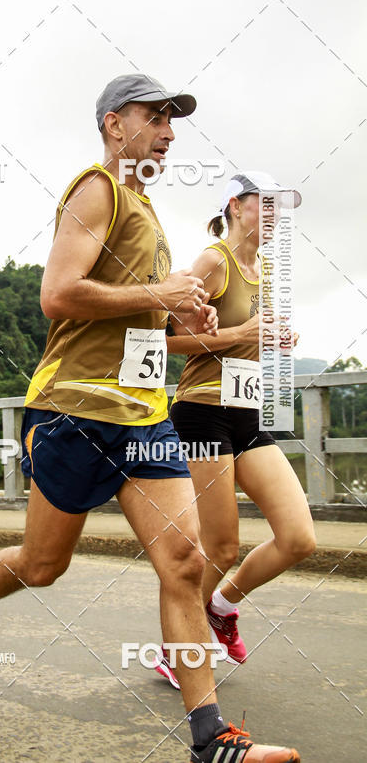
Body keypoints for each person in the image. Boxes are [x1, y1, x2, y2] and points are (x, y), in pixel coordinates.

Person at [0, 78, 301, 763]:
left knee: (187, 562)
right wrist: (157, 292)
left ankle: (209, 737)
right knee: (45, 564)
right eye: (153, 117)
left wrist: (177, 313)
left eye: (173, 120)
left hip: (145, 416)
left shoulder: (148, 210)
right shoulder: (96, 189)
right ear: (114, 125)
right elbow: (58, 294)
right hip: (75, 407)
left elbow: (139, 308)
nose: (167, 131)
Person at [154, 172, 316, 693]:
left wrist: (273, 338)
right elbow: (154, 342)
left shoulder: (263, 270)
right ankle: (174, 650)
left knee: (299, 538)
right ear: (236, 206)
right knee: (220, 548)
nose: (274, 217)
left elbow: (248, 339)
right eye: (265, 206)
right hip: (202, 415)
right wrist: (239, 333)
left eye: (280, 209)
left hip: (247, 415)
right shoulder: (212, 262)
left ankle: (221, 606)